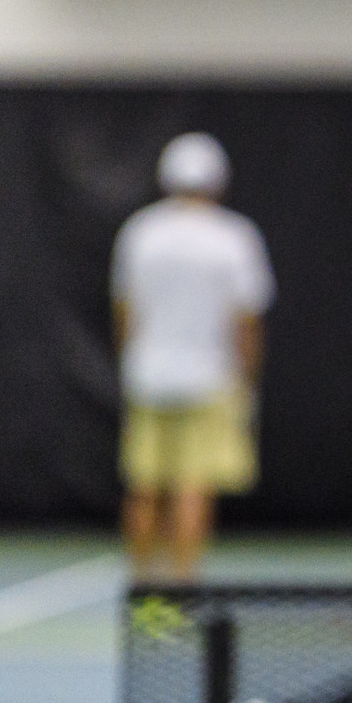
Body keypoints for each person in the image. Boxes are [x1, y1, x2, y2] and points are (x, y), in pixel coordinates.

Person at [112, 132, 272, 583]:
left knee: (144, 487)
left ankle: (144, 595)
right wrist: (248, 381)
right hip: (209, 381)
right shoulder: (235, 238)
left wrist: (131, 364)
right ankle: (182, 591)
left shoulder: (139, 233)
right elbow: (246, 324)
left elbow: (124, 312)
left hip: (148, 376)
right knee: (192, 487)